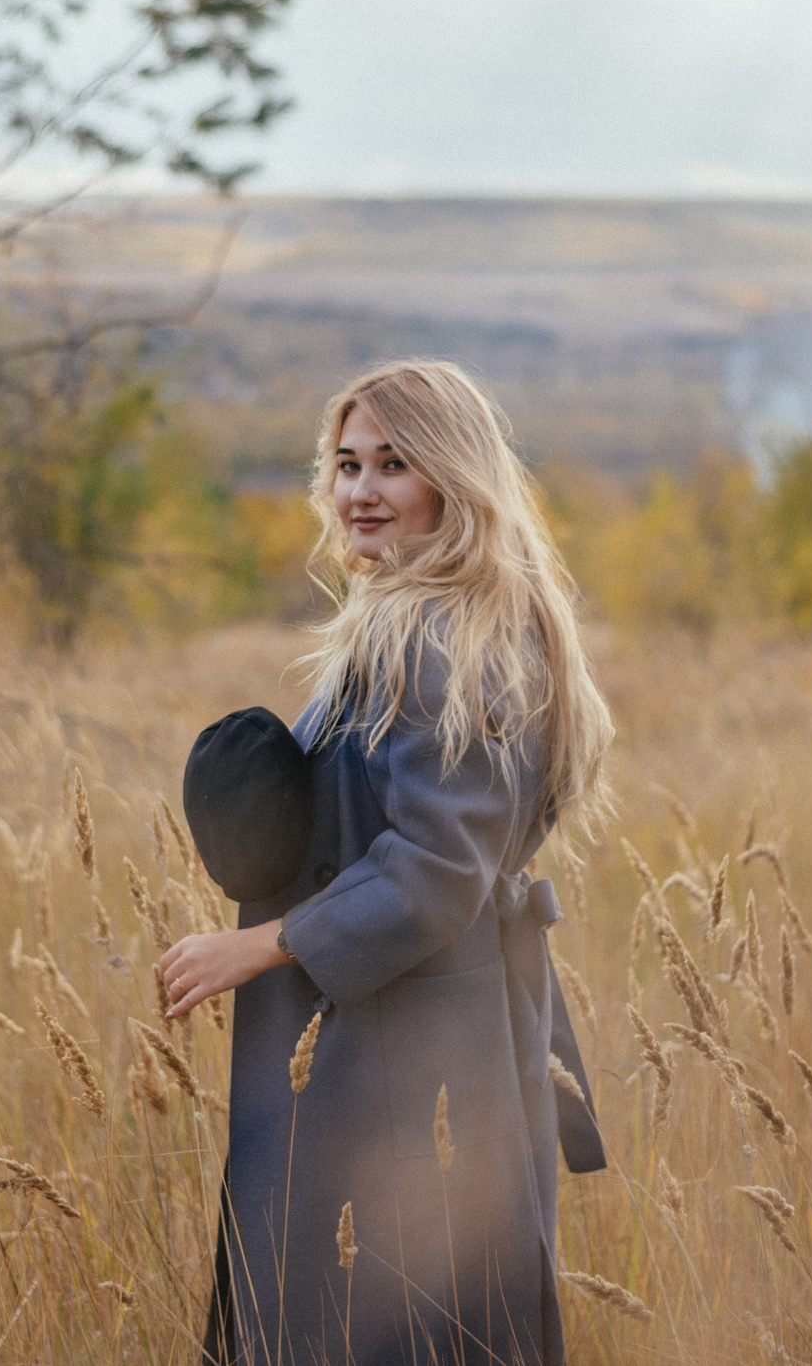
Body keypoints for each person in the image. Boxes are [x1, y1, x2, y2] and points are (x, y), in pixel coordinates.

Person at [159, 359, 614, 1366]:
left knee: (384, 1317)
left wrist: (263, 944)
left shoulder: (442, 635)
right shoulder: (422, 615)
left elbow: (436, 868)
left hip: (410, 1052)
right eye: (346, 462)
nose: (359, 490)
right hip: (415, 1026)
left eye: (392, 463)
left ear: (450, 479)